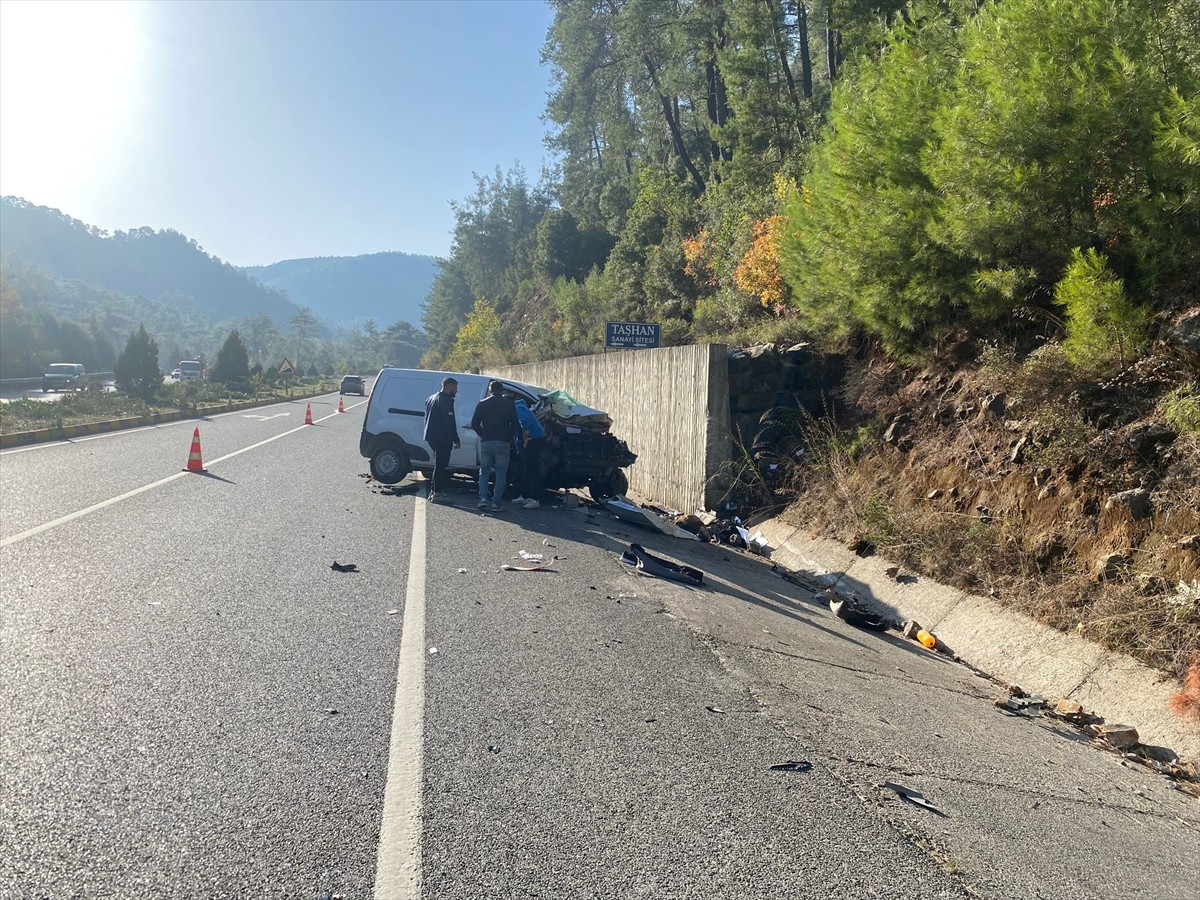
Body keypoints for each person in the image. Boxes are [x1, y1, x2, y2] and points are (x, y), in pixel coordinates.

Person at [470, 380, 521, 510]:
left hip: (487, 441)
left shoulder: (482, 403)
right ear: (501, 390)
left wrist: (483, 434)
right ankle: (496, 502)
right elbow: (516, 425)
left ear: (490, 390)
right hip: (503, 442)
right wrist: (508, 436)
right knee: (501, 473)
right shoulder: (509, 404)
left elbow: (474, 424)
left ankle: (482, 498)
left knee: (484, 471)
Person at [422, 377, 460, 503]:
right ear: (449, 386)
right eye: (455, 387)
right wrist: (456, 439)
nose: (456, 391)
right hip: (442, 437)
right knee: (441, 466)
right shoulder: (445, 401)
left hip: (432, 436)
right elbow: (450, 422)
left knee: (438, 465)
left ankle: (434, 491)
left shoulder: (430, 398)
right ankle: (437, 493)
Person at [511, 399, 546, 509]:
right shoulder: (521, 407)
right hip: (534, 439)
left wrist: (525, 439)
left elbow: (525, 422)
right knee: (525, 469)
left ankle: (535, 499)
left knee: (532, 470)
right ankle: (525, 495)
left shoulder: (518, 408)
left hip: (534, 440)